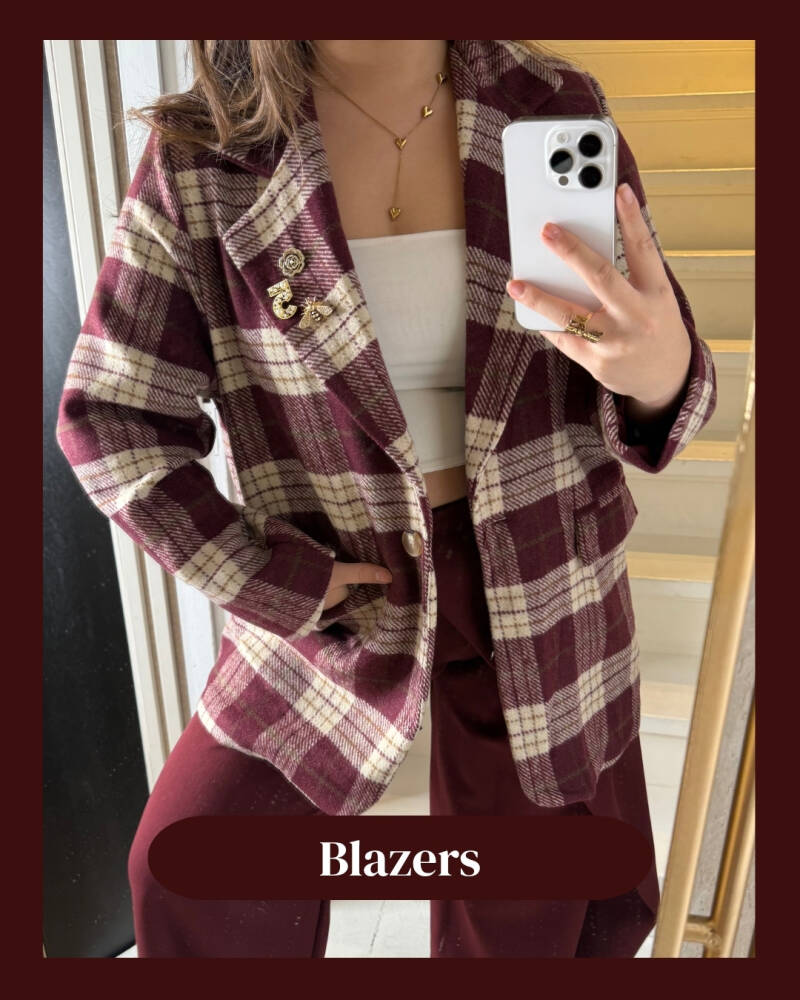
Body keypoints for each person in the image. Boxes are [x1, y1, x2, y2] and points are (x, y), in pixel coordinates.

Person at [55, 39, 717, 958]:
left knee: (519, 920)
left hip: (541, 579)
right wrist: (268, 576)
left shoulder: (550, 105)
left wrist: (663, 373)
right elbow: (111, 416)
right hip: (339, 585)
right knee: (188, 869)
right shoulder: (205, 153)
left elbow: (663, 373)